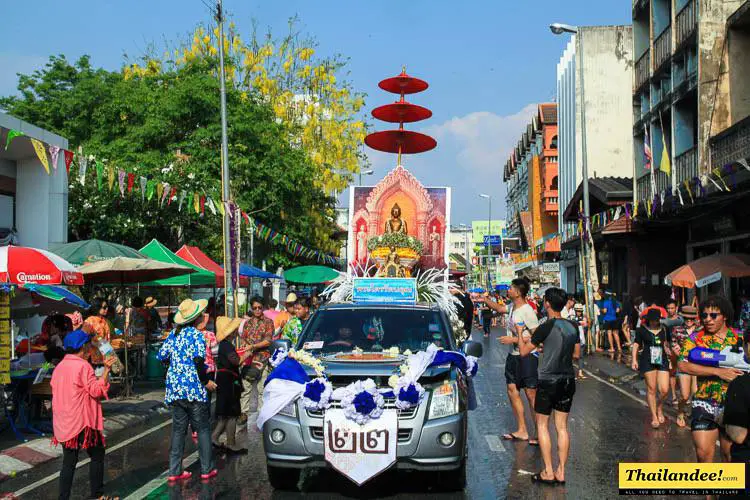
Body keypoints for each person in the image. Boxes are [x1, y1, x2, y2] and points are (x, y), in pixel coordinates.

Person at [519, 288, 580, 485]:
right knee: (562, 427)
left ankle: (548, 471)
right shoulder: (573, 326)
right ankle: (561, 471)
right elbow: (576, 354)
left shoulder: (546, 326)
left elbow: (524, 352)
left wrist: (520, 333)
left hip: (548, 380)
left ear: (546, 303)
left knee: (543, 425)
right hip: (568, 379)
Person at [51, 329, 116, 500]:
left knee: (69, 462)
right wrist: (106, 371)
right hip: (82, 422)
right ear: (83, 348)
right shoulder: (82, 366)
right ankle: (98, 495)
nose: (89, 349)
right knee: (97, 455)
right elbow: (96, 391)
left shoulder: (59, 367)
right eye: (87, 345)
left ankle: (63, 497)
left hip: (64, 423)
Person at [679, 296, 743, 465]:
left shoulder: (740, 338)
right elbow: (683, 365)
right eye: (704, 316)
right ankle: (709, 492)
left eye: (713, 316)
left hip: (733, 405)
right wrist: (717, 372)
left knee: (730, 456)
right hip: (703, 402)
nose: (708, 320)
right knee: (703, 455)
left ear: (725, 316)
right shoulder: (696, 338)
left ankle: (726, 491)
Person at [157, 298, 217, 482]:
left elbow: (161, 356)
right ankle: (207, 469)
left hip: (175, 389)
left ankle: (174, 472)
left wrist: (174, 364)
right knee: (203, 429)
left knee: (178, 431)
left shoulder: (174, 335)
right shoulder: (197, 336)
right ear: (197, 317)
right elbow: (199, 361)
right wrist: (206, 381)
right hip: (194, 389)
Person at [483, 278, 540, 444]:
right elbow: (499, 308)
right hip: (513, 357)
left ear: (518, 292)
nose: (508, 290)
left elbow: (536, 336)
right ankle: (522, 429)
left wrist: (514, 340)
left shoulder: (527, 311)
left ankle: (538, 432)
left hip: (528, 355)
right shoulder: (511, 307)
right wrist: (485, 299)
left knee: (531, 394)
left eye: (511, 288)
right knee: (512, 389)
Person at [212, 316, 251, 454]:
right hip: (228, 381)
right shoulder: (227, 345)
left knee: (225, 414)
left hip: (225, 380)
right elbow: (236, 361)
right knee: (232, 413)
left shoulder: (225, 345)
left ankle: (215, 439)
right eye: (234, 330)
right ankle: (231, 443)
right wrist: (248, 353)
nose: (235, 332)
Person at [631, 307, 671, 428]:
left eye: (656, 320)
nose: (654, 322)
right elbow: (636, 344)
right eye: (652, 320)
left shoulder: (664, 328)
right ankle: (654, 415)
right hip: (647, 360)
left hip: (662, 359)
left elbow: (667, 344)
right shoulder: (641, 330)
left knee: (664, 389)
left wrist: (671, 359)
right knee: (651, 389)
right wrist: (634, 359)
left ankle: (659, 406)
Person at [239, 297, 273, 422]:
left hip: (262, 358)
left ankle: (262, 415)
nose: (257, 310)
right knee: (245, 387)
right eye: (254, 308)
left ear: (263, 307)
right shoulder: (247, 323)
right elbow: (244, 340)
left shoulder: (268, 322)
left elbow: (268, 341)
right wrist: (244, 352)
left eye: (259, 307)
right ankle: (244, 413)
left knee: (261, 388)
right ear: (251, 309)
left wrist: (253, 346)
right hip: (249, 359)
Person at [670, 305, 699, 428]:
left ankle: (693, 414)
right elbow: (673, 344)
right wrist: (680, 355)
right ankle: (680, 412)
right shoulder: (677, 330)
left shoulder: (701, 330)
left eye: (691, 318)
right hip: (684, 364)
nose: (689, 321)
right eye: (686, 318)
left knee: (696, 393)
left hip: (698, 365)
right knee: (685, 395)